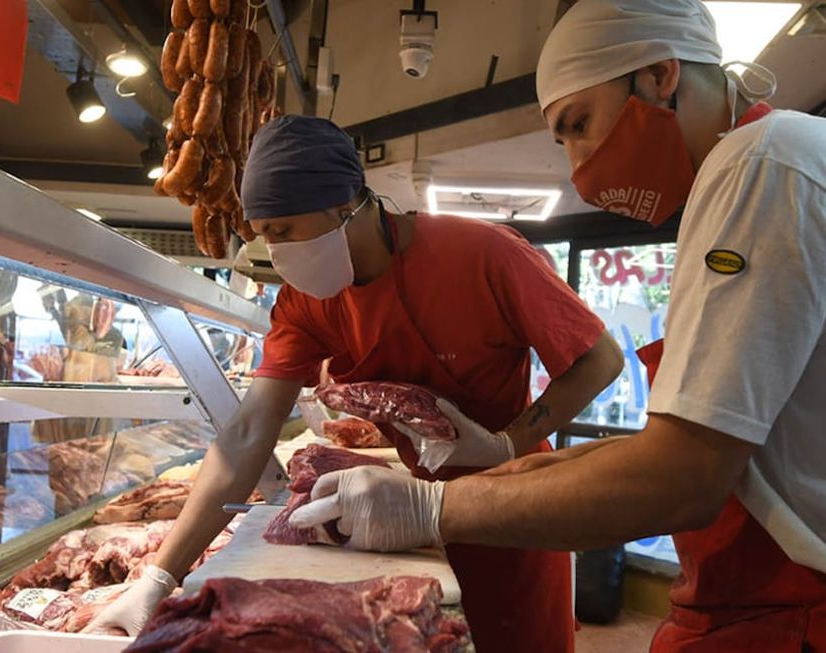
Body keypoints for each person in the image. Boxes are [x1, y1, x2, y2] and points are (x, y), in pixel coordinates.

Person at [293, 1, 826, 651]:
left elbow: (683, 474)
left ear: (659, 75)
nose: (577, 166)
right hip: (756, 592)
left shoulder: (762, 164)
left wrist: (432, 507)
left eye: (579, 124)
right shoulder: (752, 171)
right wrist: (498, 463)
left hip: (794, 601)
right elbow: (677, 445)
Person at [88, 115, 624, 651]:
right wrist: (162, 576)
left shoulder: (484, 254)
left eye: (282, 231)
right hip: (403, 520)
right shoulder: (306, 303)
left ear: (344, 206)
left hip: (511, 513)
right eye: (262, 234)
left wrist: (507, 441)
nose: (274, 251)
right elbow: (249, 431)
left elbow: (599, 360)